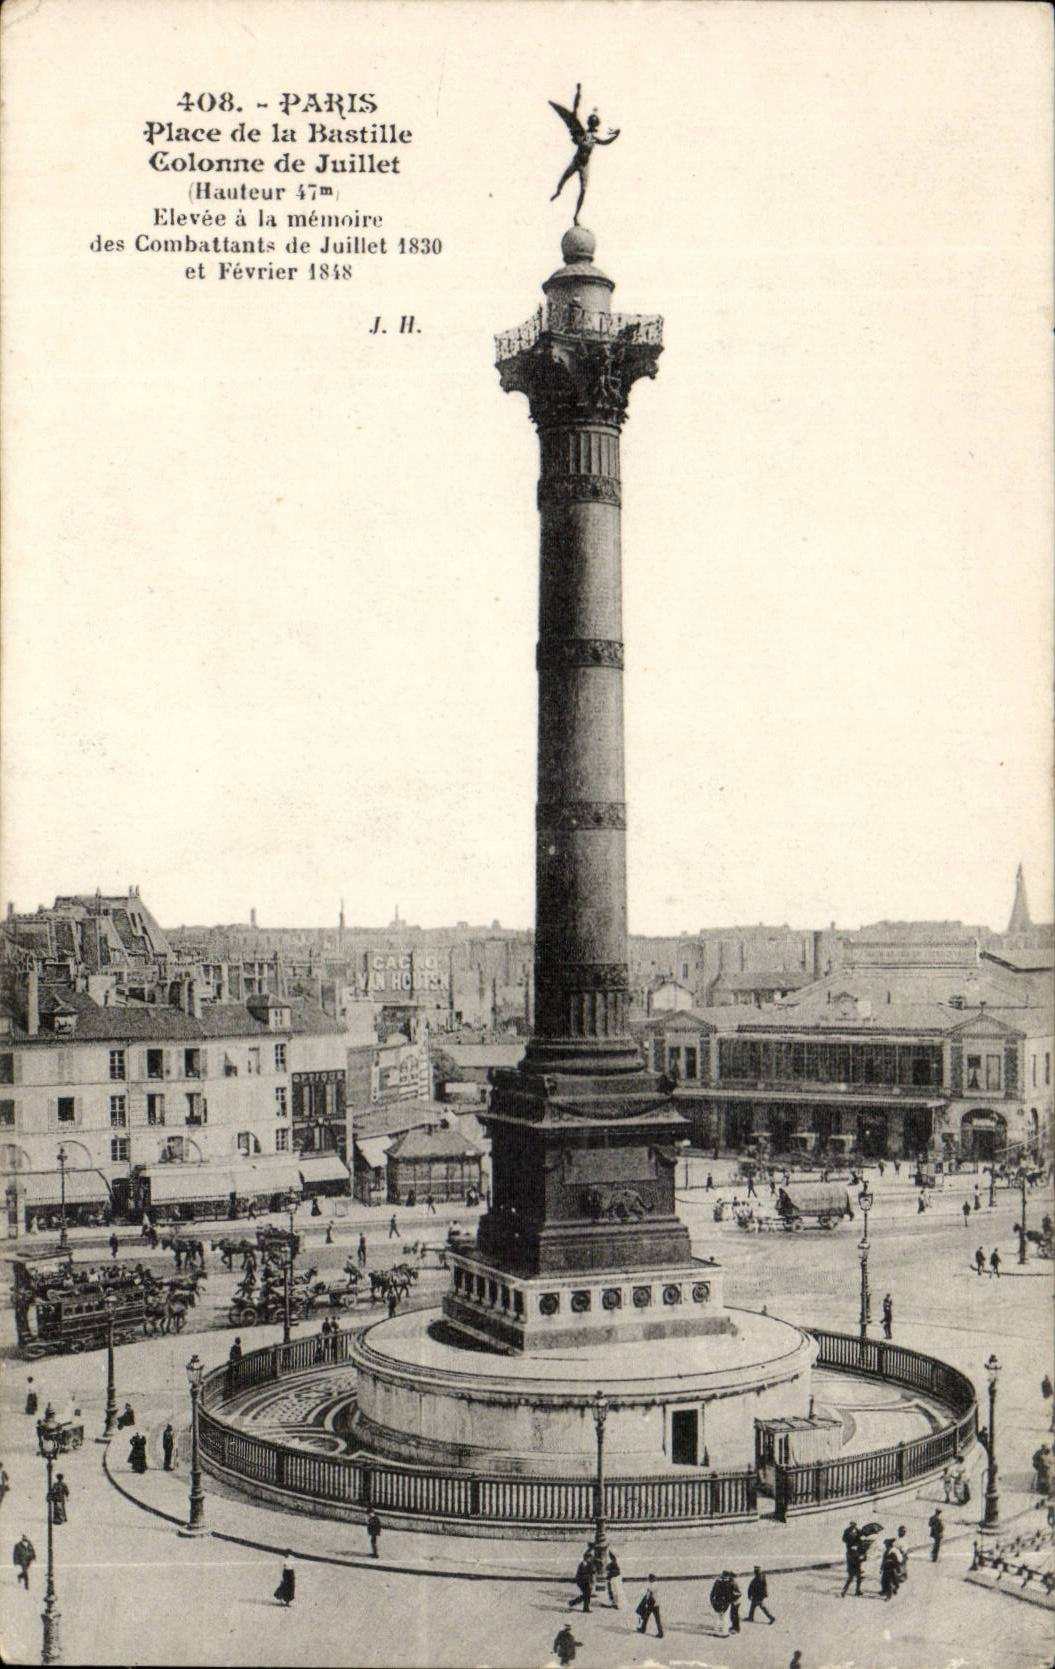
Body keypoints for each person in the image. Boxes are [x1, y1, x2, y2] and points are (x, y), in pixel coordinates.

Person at [548, 83, 621, 225]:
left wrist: (616, 135)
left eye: (594, 124)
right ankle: (558, 191)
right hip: (577, 161)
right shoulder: (582, 133)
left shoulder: (593, 138)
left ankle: (575, 216)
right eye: (592, 123)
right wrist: (578, 93)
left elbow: (606, 142)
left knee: (583, 190)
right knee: (564, 179)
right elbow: (574, 112)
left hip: (584, 165)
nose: (593, 126)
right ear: (590, 124)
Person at [841, 1522, 864, 1596]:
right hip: (852, 1554)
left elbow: (861, 1540)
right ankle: (850, 1591)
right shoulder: (847, 1531)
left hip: (854, 1554)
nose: (853, 1526)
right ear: (850, 1525)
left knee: (855, 1576)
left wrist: (859, 1537)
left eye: (854, 1524)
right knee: (855, 1576)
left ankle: (851, 1591)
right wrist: (852, 1538)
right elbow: (844, 1539)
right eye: (852, 1524)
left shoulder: (858, 1531)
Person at [569, 1548, 594, 1612]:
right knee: (586, 1595)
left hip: (587, 1581)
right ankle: (583, 1607)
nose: (590, 1559)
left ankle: (574, 1603)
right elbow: (583, 1574)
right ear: (586, 1558)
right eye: (589, 1558)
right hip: (583, 1582)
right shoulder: (582, 1564)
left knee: (586, 1595)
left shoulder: (589, 1563)